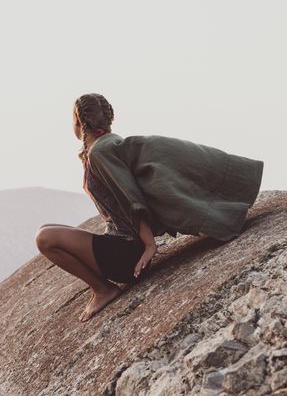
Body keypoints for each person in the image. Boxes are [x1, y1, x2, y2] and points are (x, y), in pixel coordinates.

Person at [35, 93, 264, 323]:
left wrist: (149, 245)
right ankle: (105, 282)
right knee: (47, 227)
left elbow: (130, 197)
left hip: (126, 254)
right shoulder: (108, 144)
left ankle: (103, 290)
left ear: (78, 119)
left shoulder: (100, 152)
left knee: (45, 238)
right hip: (121, 245)